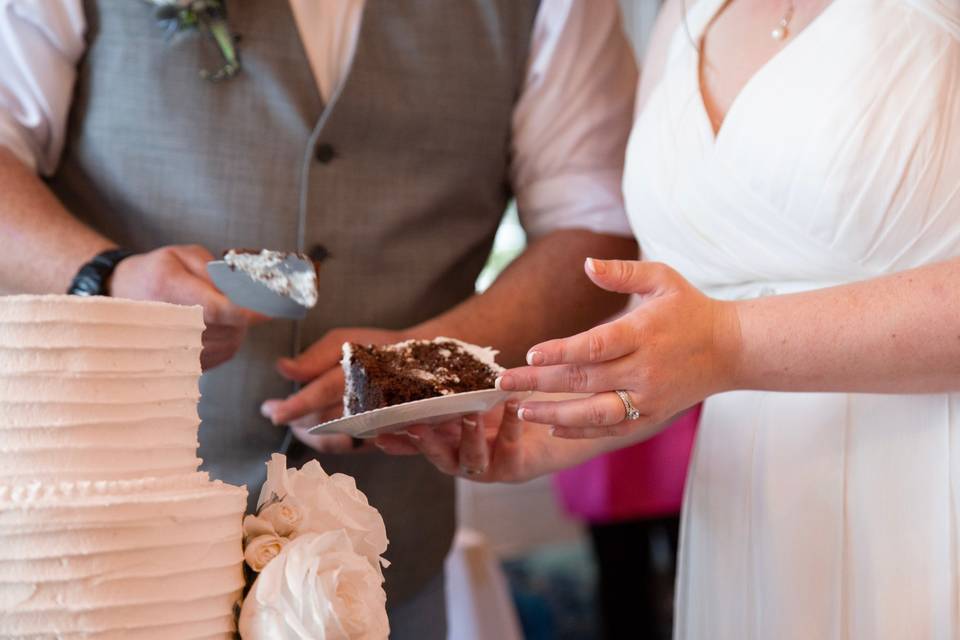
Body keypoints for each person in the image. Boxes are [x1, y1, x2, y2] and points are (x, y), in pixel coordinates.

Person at [0, 0, 639, 636]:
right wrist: (104, 278)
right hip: (99, 559)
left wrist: (417, 372)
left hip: (381, 577)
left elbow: (595, 233)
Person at [377, 0, 960, 638]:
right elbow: (678, 311)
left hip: (929, 488)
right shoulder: (682, 15)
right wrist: (553, 420)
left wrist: (730, 342)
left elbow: (717, 336)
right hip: (750, 508)